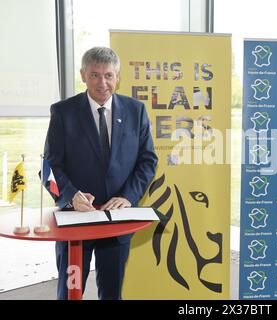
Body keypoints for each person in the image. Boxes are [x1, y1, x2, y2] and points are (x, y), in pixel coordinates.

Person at [44, 47, 158, 300]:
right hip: (75, 220)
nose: (102, 83)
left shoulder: (135, 110)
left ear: (118, 76)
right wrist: (71, 195)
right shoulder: (63, 112)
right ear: (83, 75)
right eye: (95, 75)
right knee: (69, 292)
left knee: (112, 292)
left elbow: (147, 160)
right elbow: (50, 165)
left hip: (117, 222)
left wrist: (128, 195)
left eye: (108, 75)